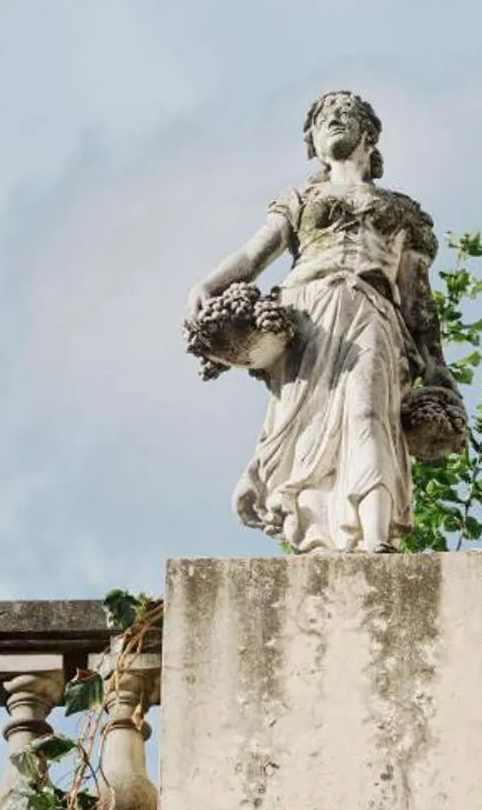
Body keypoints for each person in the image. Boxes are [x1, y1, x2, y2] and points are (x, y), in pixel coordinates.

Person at [186, 91, 459, 552]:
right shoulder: (300, 198)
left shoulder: (402, 211)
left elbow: (417, 299)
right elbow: (254, 255)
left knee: (368, 414)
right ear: (311, 142)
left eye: (344, 114)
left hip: (372, 308)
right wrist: (205, 285)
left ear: (368, 134)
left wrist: (435, 365)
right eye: (322, 119)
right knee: (307, 427)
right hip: (309, 314)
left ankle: (375, 537)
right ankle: (324, 536)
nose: (333, 120)